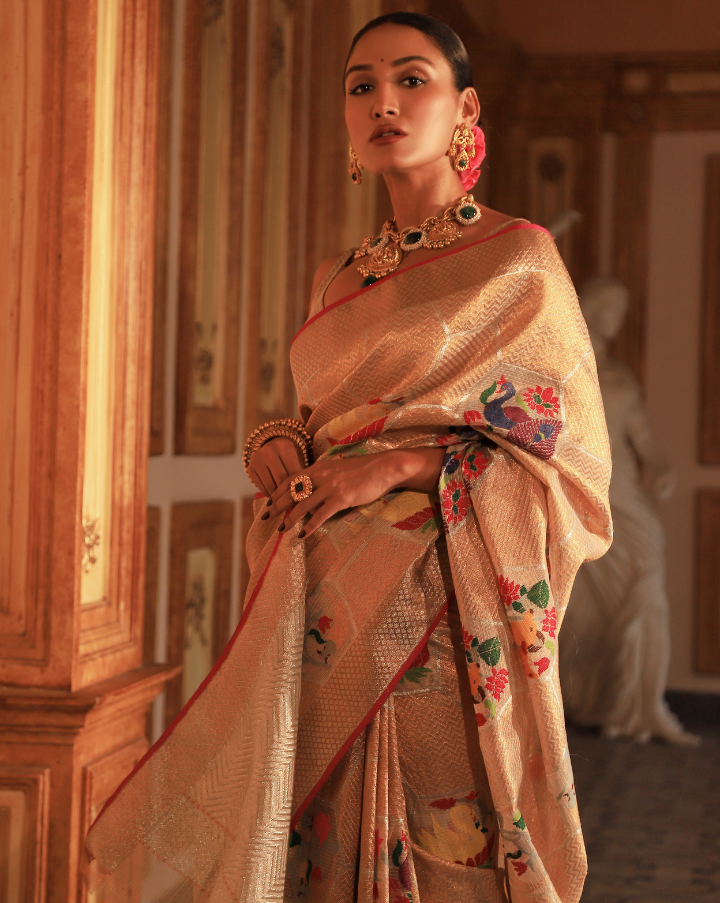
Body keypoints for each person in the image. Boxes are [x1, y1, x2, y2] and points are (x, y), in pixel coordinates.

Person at [85, 13, 612, 903]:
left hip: (438, 615)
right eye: (361, 85)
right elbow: (328, 421)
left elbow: (566, 457)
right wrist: (281, 442)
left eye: (412, 80)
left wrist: (399, 468)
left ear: (464, 107)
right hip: (320, 598)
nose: (384, 103)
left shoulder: (520, 264)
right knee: (314, 845)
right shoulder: (339, 279)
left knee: (446, 841)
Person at [561, 275, 699, 746]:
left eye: (622, 309)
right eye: (611, 307)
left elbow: (642, 438)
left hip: (626, 499)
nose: (618, 318)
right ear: (588, 306)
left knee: (649, 581)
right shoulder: (560, 365)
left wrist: (660, 467)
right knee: (579, 609)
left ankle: (644, 706)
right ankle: (593, 703)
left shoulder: (620, 375)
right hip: (580, 496)